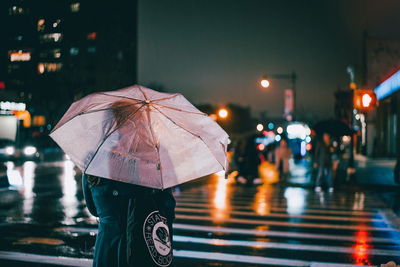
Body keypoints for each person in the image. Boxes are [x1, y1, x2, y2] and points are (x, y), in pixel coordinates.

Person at [82, 175, 176, 267]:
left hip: (106, 242)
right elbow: (168, 208)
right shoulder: (150, 169)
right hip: (140, 241)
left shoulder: (93, 171)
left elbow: (93, 210)